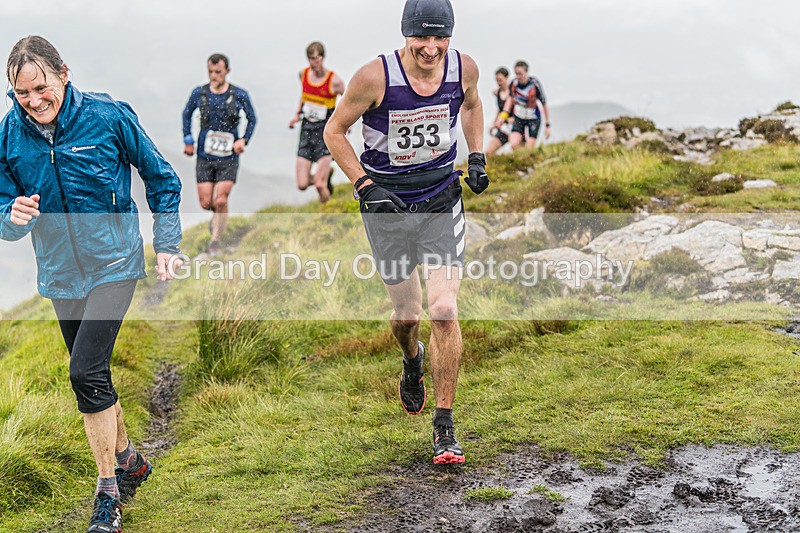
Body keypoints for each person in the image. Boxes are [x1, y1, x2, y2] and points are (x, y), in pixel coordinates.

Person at [0, 36, 183, 533]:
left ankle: (107, 494)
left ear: (63, 72)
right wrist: (10, 215)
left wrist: (166, 243)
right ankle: (130, 459)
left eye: (41, 87)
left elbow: (162, 179)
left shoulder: (108, 116)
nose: (34, 101)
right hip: (60, 273)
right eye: (21, 94)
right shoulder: (9, 134)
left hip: (115, 264)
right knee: (95, 375)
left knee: (84, 371)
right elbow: (4, 208)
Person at [324, 0, 489, 465]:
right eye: (422, 38)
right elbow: (335, 132)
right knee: (407, 316)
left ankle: (445, 426)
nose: (432, 49)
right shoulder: (373, 78)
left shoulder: (464, 69)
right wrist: (364, 185)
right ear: (406, 34)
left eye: (441, 38)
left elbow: (473, 106)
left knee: (443, 308)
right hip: (387, 209)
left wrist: (476, 156)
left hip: (440, 200)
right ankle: (412, 360)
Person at [183, 53, 256, 256]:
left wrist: (244, 139)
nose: (214, 76)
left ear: (227, 71)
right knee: (207, 203)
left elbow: (252, 118)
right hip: (205, 156)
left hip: (228, 157)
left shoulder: (239, 94)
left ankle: (215, 240)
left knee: (221, 200)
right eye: (211, 72)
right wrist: (188, 139)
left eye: (218, 72)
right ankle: (217, 219)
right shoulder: (199, 93)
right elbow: (186, 114)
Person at [289, 42, 345, 203]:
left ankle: (325, 208)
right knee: (302, 184)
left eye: (316, 58)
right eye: (310, 59)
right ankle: (326, 176)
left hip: (325, 131)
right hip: (306, 128)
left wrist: (344, 125)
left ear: (323, 57)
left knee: (320, 185)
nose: (314, 62)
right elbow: (304, 95)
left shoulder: (334, 81)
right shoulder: (303, 74)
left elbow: (347, 100)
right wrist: (296, 114)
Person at [495, 60, 551, 150]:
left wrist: (547, 125)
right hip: (519, 117)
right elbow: (510, 100)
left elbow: (544, 103)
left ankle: (528, 159)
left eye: (520, 74)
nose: (518, 76)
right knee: (514, 143)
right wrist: (502, 116)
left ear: (526, 72)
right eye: (516, 73)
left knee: (529, 148)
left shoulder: (534, 84)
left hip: (533, 118)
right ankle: (519, 160)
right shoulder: (514, 84)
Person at [486, 67, 513, 155]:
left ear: (507, 78)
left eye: (500, 80)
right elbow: (500, 109)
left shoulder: (514, 92)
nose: (498, 82)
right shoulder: (498, 93)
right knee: (488, 152)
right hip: (503, 127)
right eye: (497, 80)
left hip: (516, 126)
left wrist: (505, 120)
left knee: (520, 153)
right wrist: (494, 123)